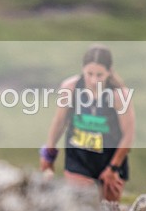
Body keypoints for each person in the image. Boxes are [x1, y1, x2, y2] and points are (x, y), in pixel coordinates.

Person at [39, 45, 135, 202]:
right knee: (81, 205)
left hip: (110, 161)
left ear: (109, 71)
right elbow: (59, 122)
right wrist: (48, 154)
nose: (93, 80)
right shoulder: (70, 88)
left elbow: (128, 137)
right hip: (79, 159)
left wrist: (112, 168)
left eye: (99, 75)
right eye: (89, 74)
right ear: (83, 69)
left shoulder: (119, 95)